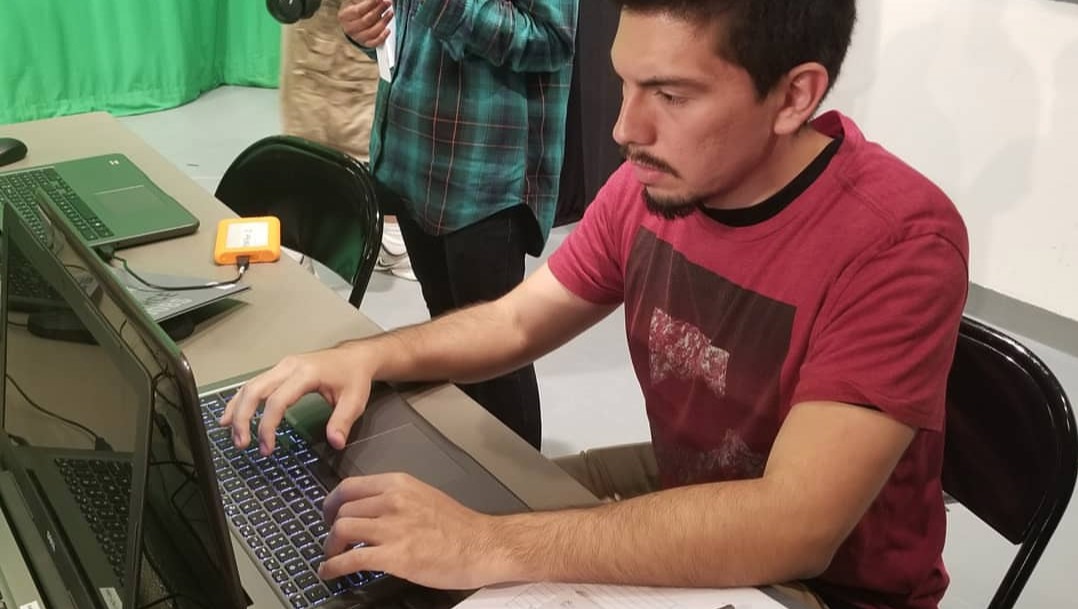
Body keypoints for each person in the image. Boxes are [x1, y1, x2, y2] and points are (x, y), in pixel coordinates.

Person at [222, 1, 969, 608]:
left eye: (671, 95)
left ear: (794, 96)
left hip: (826, 585)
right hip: (689, 485)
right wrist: (366, 355)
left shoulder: (898, 241)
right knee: (417, 527)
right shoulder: (655, 184)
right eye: (626, 84)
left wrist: (485, 542)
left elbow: (792, 527)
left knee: (475, 539)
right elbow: (516, 321)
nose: (624, 129)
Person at [331, 0, 579, 449]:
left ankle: (518, 489)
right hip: (409, 160)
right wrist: (366, 30)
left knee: (498, 360)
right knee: (448, 340)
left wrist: (445, 8)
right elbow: (404, 29)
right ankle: (469, 476)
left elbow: (553, 43)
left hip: (487, 179)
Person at [277, 0, 416, 281]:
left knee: (359, 117)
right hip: (328, 37)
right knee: (314, 126)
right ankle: (296, 241)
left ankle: (390, 239)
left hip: (354, 39)